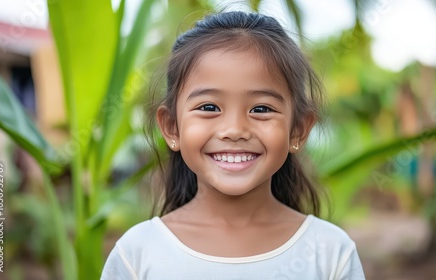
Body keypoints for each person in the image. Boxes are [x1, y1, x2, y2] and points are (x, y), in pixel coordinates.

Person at [101, 11, 365, 280]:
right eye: (209, 107)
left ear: (297, 130)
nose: (235, 130)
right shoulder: (136, 254)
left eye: (261, 108)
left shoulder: (330, 253)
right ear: (172, 127)